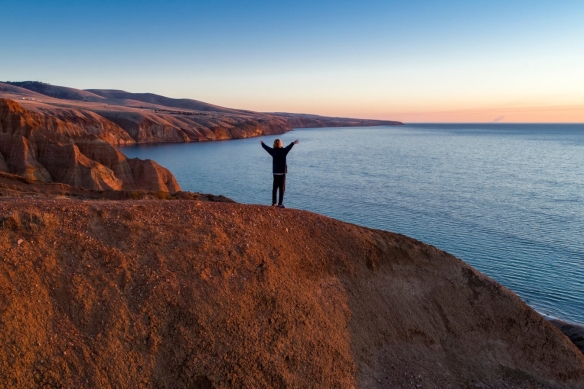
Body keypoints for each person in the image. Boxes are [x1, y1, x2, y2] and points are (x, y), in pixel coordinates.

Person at [261, 138, 299, 208]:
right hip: (282, 173)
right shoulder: (283, 151)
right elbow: (289, 147)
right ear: (280, 144)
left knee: (275, 188)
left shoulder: (273, 151)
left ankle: (273, 203)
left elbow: (266, 148)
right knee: (282, 189)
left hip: (275, 173)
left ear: (274, 144)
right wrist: (293, 143)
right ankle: (280, 204)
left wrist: (262, 144)